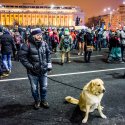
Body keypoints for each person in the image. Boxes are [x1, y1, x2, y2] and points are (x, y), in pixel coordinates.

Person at [19, 28, 52, 110]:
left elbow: (48, 54)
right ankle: (37, 101)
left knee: (44, 87)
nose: (40, 36)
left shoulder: (44, 43)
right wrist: (31, 67)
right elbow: (22, 58)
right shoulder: (27, 45)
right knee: (34, 88)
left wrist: (49, 64)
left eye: (41, 34)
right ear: (33, 36)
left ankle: (43, 100)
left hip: (43, 70)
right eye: (38, 35)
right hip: (32, 72)